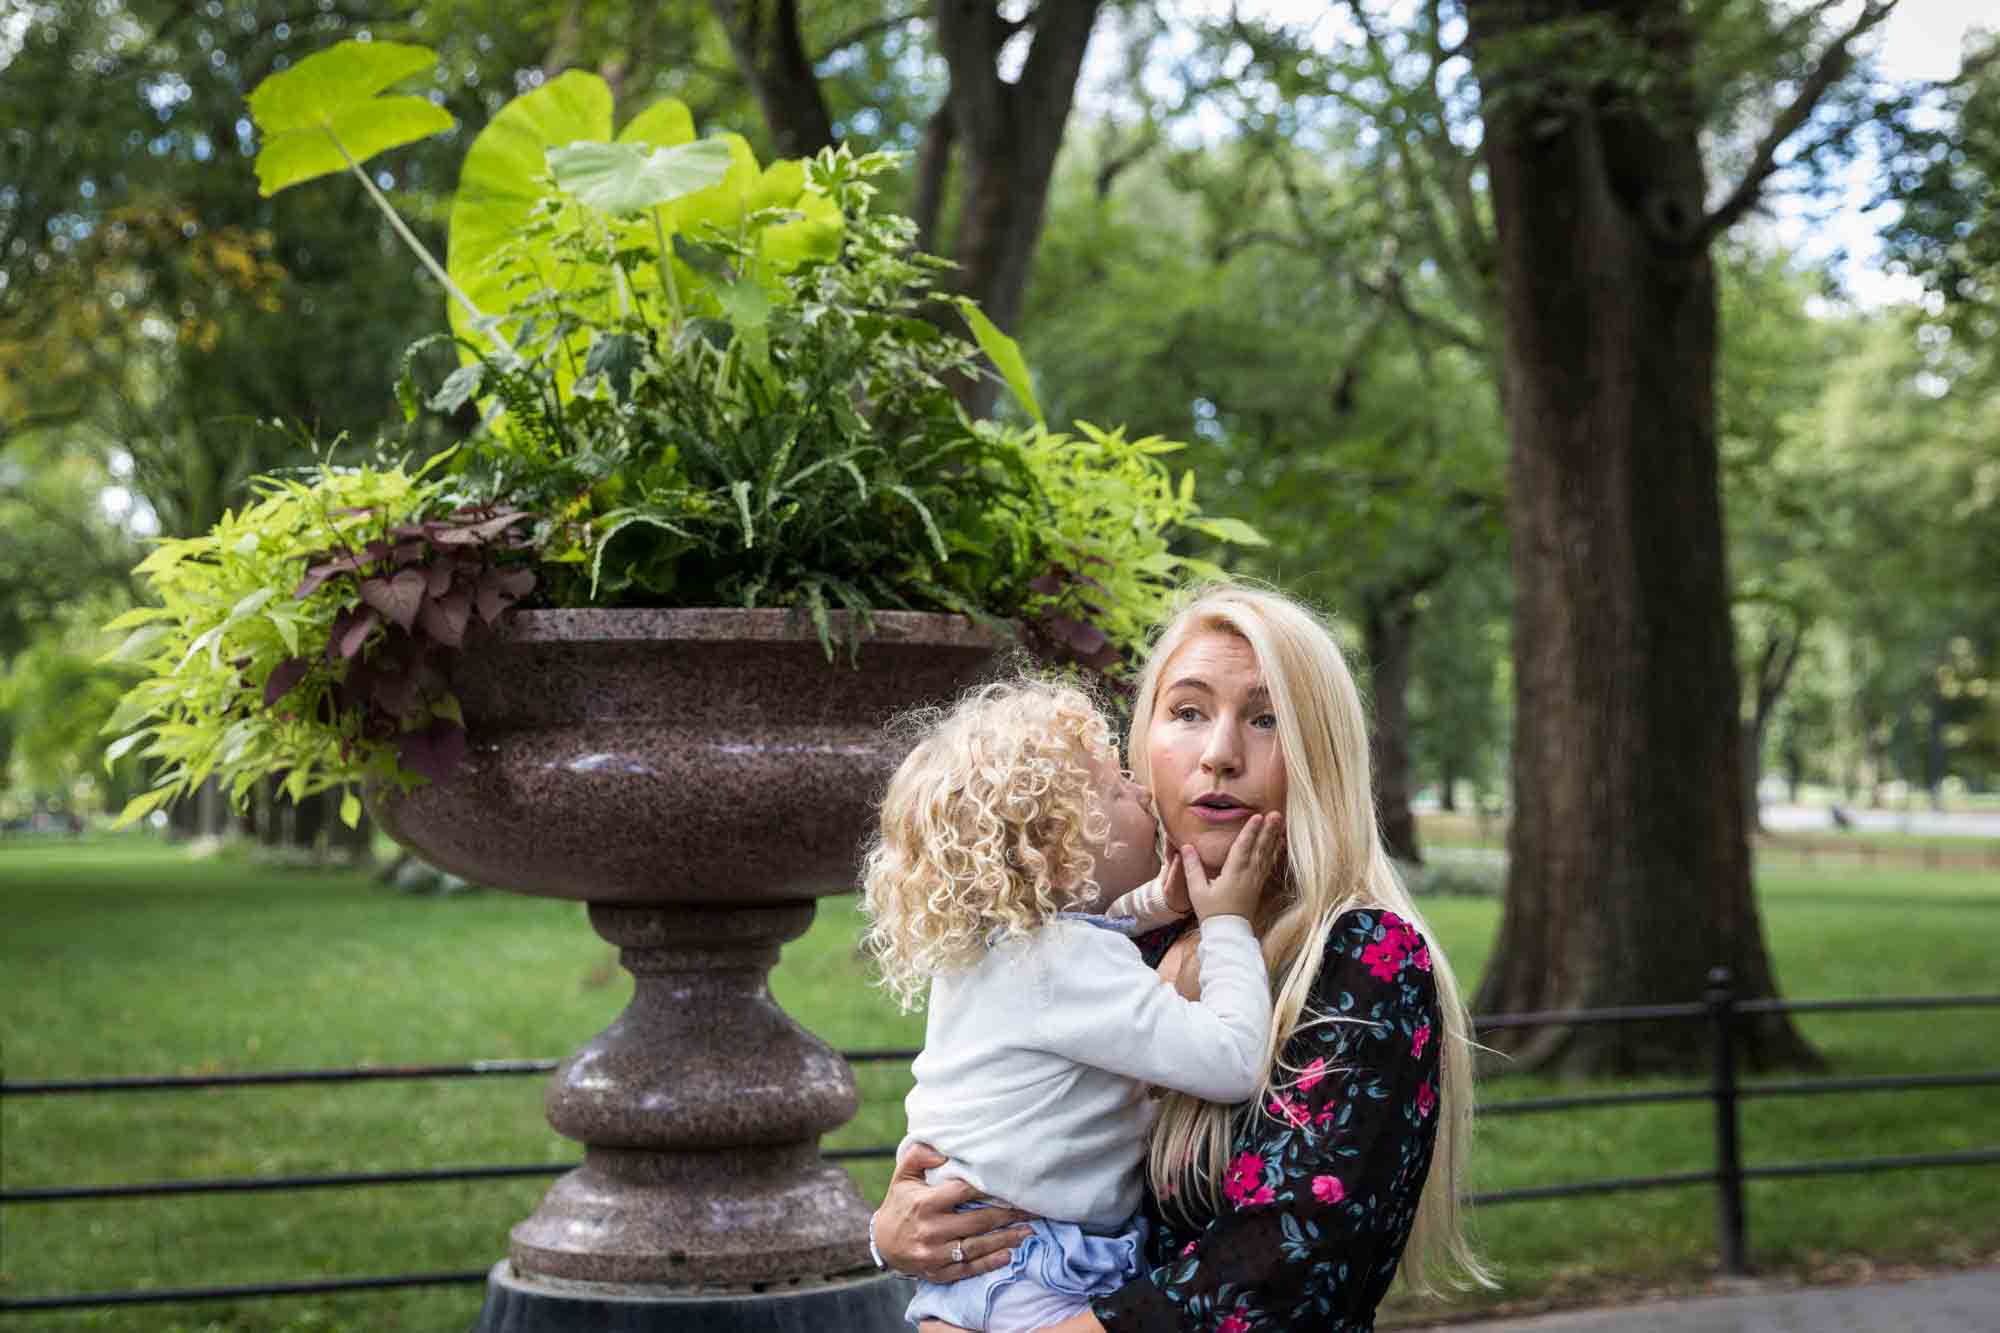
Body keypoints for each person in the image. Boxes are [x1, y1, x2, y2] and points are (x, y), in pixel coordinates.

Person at [872, 584, 1488, 1331]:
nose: (1220, 754)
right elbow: (997, 1114)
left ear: (1320, 756)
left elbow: (1275, 1272)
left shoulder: (1363, 956)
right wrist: (902, 1229)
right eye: (1189, 711)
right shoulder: (1121, 938)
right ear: (1145, 744)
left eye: (1266, 719)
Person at [859, 677, 1287, 1331]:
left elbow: (1095, 929)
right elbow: (1232, 1059)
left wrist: (1158, 907)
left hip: (976, 1261)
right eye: (1117, 790)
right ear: (1061, 847)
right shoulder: (1065, 966)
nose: (1141, 791)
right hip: (1038, 1268)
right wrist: (1226, 921)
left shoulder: (999, 949)